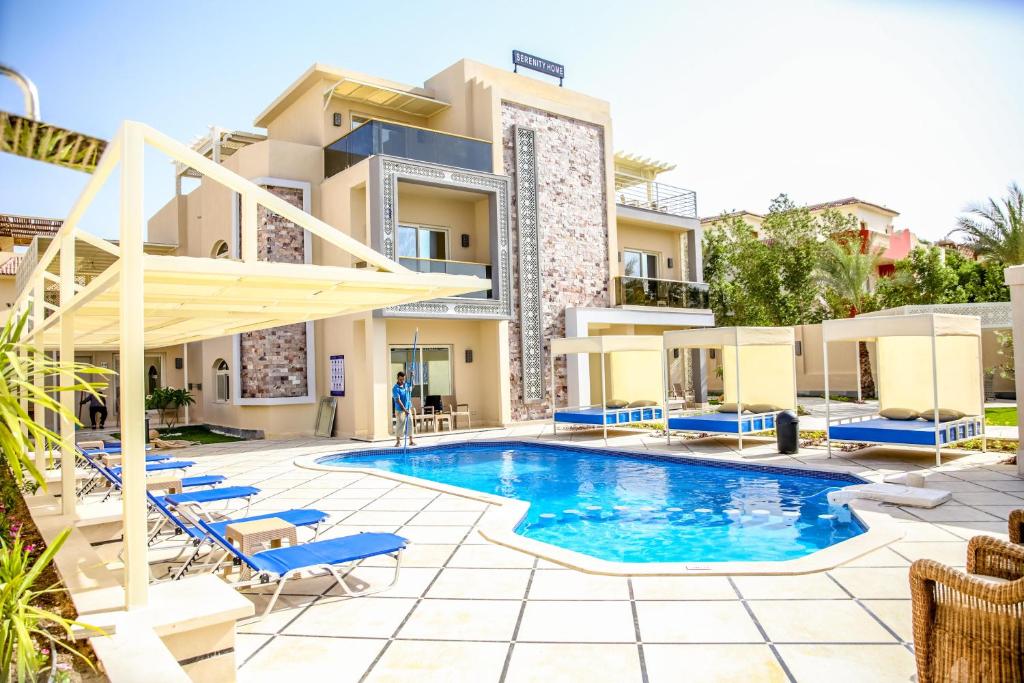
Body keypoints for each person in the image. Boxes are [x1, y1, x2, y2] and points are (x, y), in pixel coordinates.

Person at [392, 371, 415, 447]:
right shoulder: (395, 388)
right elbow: (398, 400)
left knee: (410, 423)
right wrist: (404, 410)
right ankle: (398, 442)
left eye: (403, 379)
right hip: (400, 409)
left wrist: (412, 376)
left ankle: (411, 441)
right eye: (400, 379)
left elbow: (413, 386)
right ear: (397, 378)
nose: (402, 381)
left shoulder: (406, 385)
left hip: (408, 408)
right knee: (400, 424)